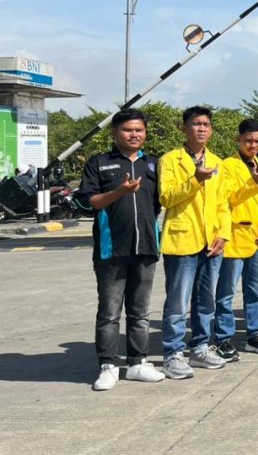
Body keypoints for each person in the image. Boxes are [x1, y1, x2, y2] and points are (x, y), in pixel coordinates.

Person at [80, 109, 165, 390]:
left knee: (140, 312)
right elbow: (90, 202)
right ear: (115, 132)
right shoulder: (100, 163)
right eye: (128, 129)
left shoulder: (153, 164)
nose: (134, 134)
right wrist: (120, 192)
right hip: (111, 251)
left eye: (139, 130)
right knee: (109, 312)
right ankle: (108, 365)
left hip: (146, 248)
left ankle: (138, 363)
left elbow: (162, 201)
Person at [159, 106, 232, 379]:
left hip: (211, 242)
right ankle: (172, 353)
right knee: (178, 302)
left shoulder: (217, 162)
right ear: (184, 128)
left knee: (206, 300)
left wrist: (223, 234)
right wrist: (195, 180)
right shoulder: (170, 160)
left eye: (206, 124)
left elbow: (223, 204)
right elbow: (166, 197)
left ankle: (200, 347)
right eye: (196, 123)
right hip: (183, 240)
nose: (201, 128)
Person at [213, 119, 258, 362]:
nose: (253, 145)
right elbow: (228, 198)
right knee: (226, 292)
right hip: (235, 237)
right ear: (238, 139)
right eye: (248, 141)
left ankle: (255, 334)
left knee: (255, 292)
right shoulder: (227, 165)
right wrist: (253, 183)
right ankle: (223, 337)